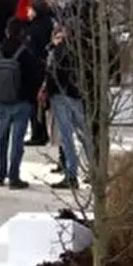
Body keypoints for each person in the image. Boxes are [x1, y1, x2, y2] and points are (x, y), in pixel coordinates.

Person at [0, 18, 41, 189]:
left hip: (2, 103)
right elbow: (34, 78)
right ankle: (14, 177)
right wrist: (30, 97)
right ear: (21, 34)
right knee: (17, 141)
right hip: (21, 103)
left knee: (1, 139)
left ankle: (0, 174)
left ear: (6, 32)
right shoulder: (25, 53)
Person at [44, 24, 85, 188]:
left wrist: (49, 91)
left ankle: (71, 175)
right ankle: (91, 171)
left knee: (67, 137)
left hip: (62, 96)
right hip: (76, 96)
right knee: (84, 135)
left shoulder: (58, 52)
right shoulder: (80, 51)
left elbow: (53, 74)